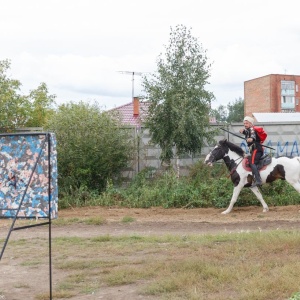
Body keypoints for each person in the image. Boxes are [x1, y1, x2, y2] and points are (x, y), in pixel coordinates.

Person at [239, 116, 263, 187]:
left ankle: (258, 181)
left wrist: (251, 139)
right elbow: (246, 132)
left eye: (246, 123)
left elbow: (252, 136)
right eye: (244, 123)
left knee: (252, 163)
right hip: (254, 149)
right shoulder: (249, 130)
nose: (245, 124)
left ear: (251, 123)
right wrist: (242, 131)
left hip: (256, 149)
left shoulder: (252, 130)